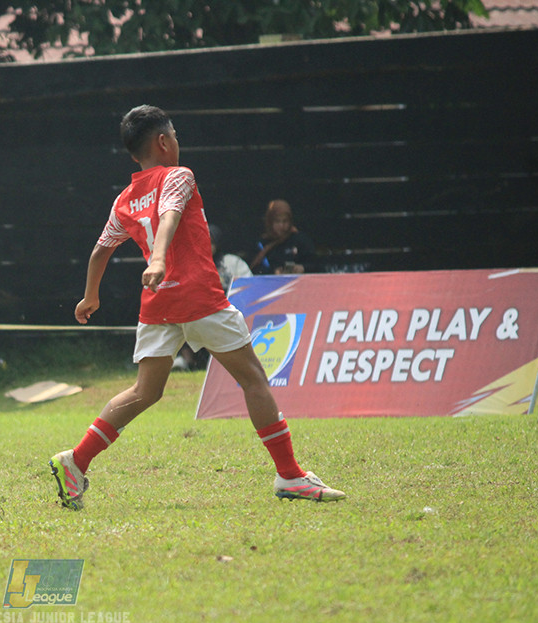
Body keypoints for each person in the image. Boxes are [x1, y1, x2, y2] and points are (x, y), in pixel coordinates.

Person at [48, 105, 344, 510]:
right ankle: (290, 475)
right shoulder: (179, 175)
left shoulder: (125, 198)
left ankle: (76, 461)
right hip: (198, 297)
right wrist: (158, 257)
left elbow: (100, 251)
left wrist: (90, 296)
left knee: (145, 391)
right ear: (164, 142)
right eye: (175, 135)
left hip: (158, 305)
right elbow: (169, 214)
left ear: (135, 155)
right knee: (253, 379)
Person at [173, 224, 251, 370]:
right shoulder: (189, 264)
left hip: (229, 310)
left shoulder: (232, 262)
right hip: (199, 312)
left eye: (211, 240)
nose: (206, 244)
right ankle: (186, 360)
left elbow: (249, 284)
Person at [247, 199, 316, 275]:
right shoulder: (261, 244)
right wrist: (274, 272)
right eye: (277, 221)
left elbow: (316, 264)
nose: (281, 226)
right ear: (270, 222)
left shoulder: (300, 240)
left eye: (285, 221)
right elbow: (254, 269)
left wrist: (303, 268)